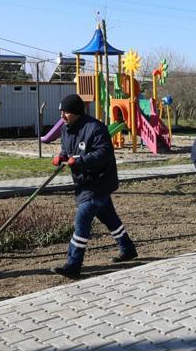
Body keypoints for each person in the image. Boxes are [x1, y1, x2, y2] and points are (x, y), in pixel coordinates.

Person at [50, 94, 138, 278]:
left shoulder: (96, 128)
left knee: (82, 220)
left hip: (100, 181)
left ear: (76, 112)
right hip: (84, 181)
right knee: (109, 218)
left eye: (66, 112)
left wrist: (80, 160)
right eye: (61, 112)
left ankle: (73, 264)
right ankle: (128, 249)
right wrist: (62, 156)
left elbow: (104, 153)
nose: (62, 116)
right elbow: (67, 149)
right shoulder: (66, 129)